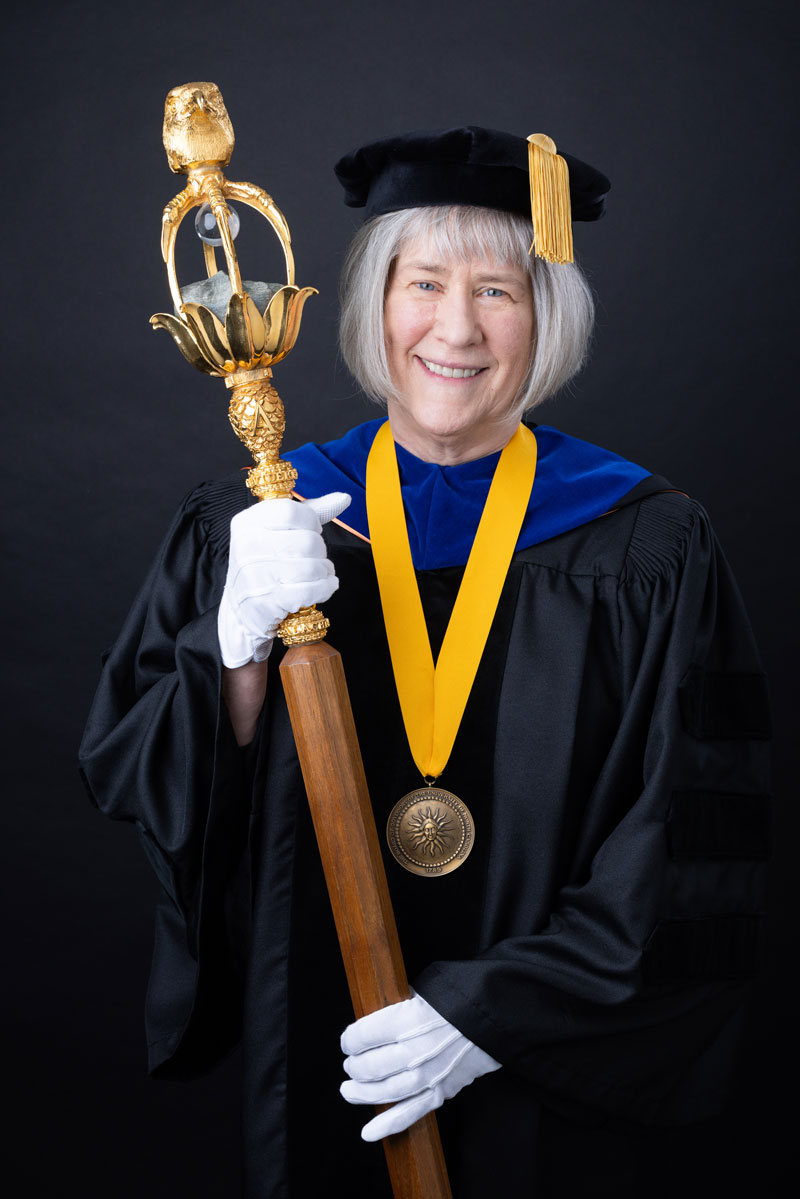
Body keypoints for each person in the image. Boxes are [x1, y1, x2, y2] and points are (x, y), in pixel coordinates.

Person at [79, 126, 771, 1197]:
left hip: (547, 1074)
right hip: (320, 1043)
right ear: (372, 304)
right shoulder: (257, 522)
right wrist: (234, 653)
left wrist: (485, 1017)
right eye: (424, 282)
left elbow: (685, 846)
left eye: (498, 289)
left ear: (546, 316)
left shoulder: (647, 544)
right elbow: (137, 781)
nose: (455, 328)